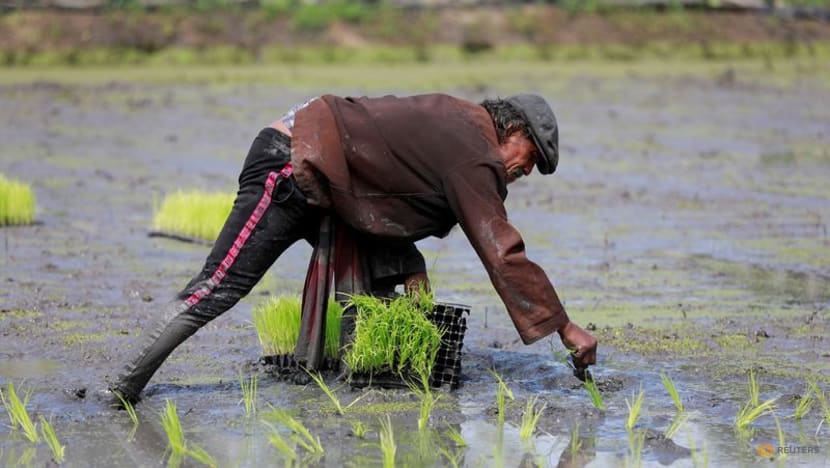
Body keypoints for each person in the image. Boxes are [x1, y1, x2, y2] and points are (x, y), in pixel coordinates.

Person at [106, 93, 597, 404]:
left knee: (365, 295)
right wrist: (563, 326)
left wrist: (410, 261)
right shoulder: (473, 149)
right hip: (292, 164)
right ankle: (121, 387)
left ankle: (324, 386)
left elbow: (387, 186)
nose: (524, 172)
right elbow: (501, 249)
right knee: (221, 286)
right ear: (512, 132)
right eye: (529, 160)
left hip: (330, 185)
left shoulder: (459, 127)